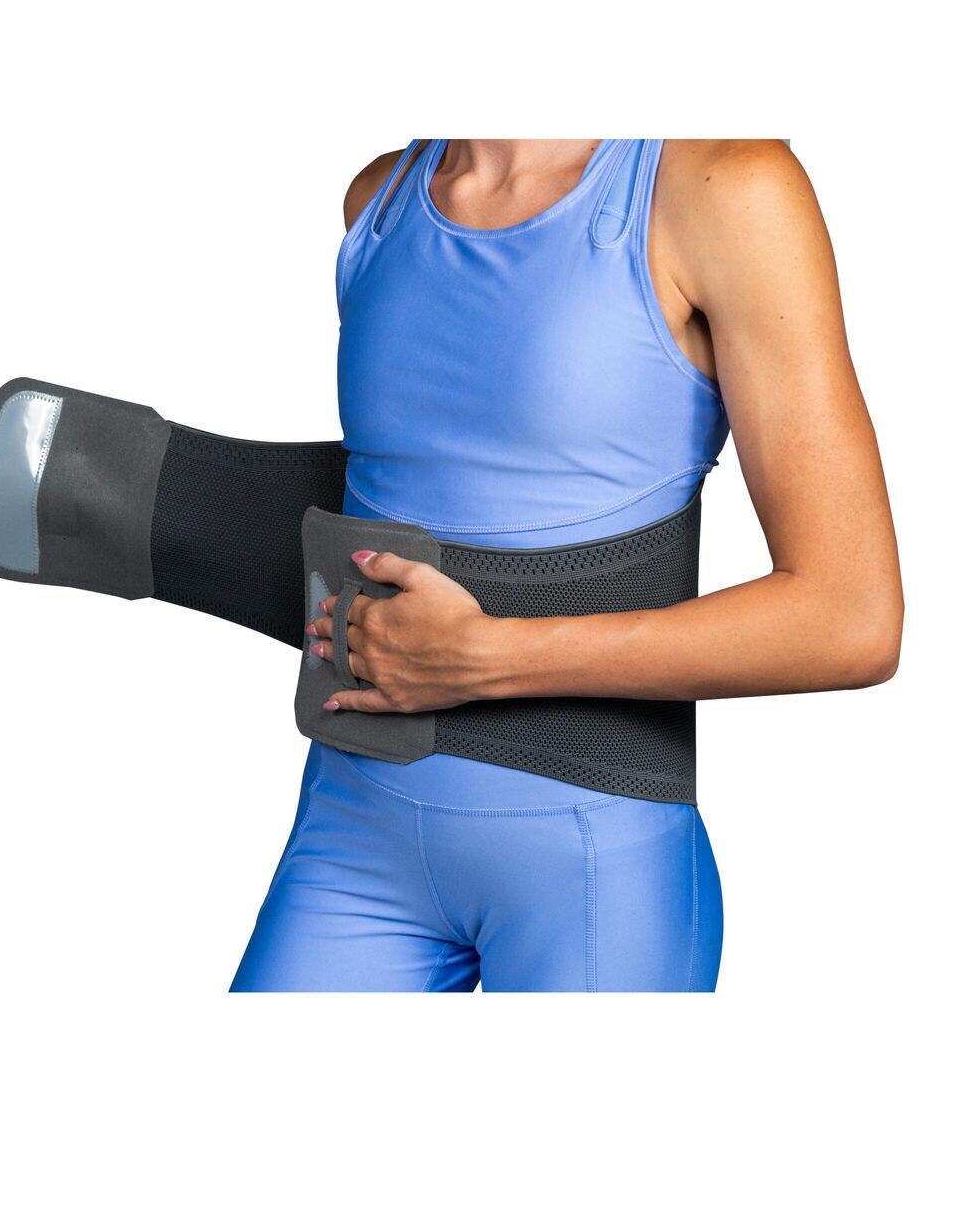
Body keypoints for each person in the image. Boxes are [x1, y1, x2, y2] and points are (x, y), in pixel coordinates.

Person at [229, 139, 902, 992]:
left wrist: (490, 657)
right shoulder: (379, 202)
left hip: (594, 865)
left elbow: (851, 618)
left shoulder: (723, 186)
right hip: (352, 831)